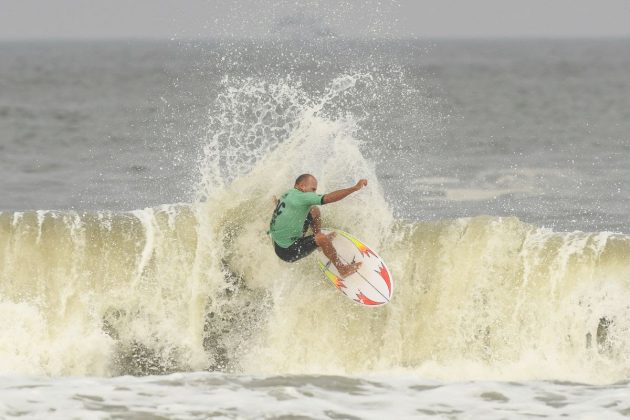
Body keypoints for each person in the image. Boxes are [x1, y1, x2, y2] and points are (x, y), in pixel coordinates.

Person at [269, 174, 367, 277]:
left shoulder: (288, 194)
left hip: (277, 242)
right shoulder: (303, 197)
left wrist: (276, 202)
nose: (314, 193)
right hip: (287, 251)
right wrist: (354, 188)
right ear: (302, 186)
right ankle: (342, 269)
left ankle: (319, 242)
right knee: (321, 238)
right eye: (313, 189)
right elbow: (328, 198)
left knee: (314, 210)